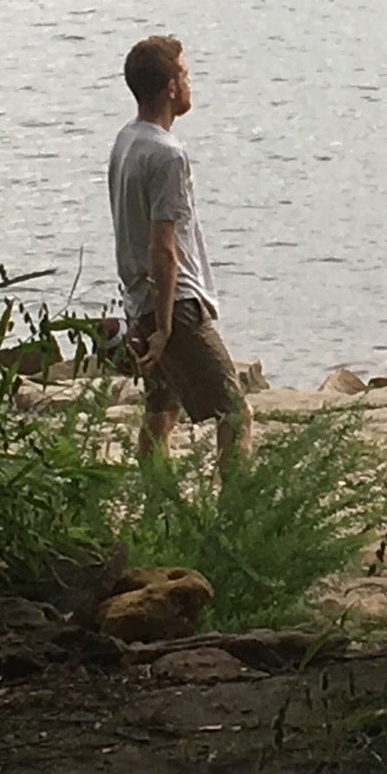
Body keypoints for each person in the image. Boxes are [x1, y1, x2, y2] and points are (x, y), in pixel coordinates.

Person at [107, 34, 252, 469]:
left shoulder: (126, 141)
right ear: (171, 87)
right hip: (175, 305)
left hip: (140, 300)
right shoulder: (167, 155)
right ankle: (237, 506)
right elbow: (163, 246)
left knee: (161, 410)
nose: (190, 83)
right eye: (185, 75)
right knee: (235, 411)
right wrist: (166, 328)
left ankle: (156, 501)